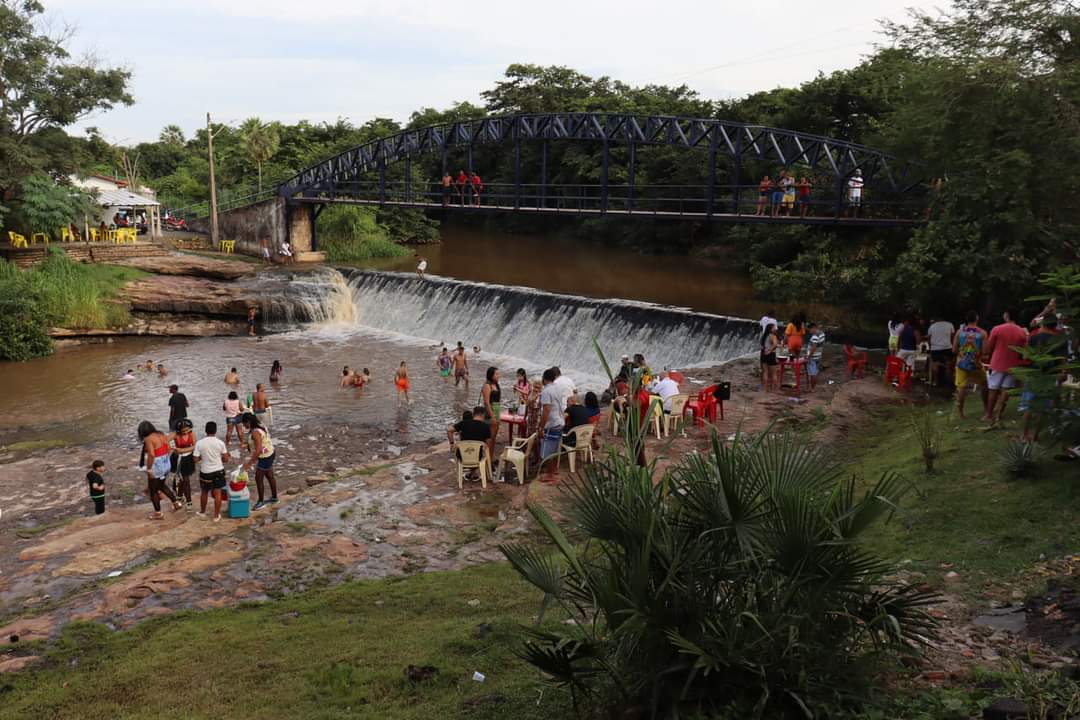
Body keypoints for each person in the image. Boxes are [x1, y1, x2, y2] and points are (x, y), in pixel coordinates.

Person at [1021, 313, 1067, 442]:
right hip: (1050, 376)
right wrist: (1063, 373)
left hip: (1034, 374)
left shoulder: (1034, 338)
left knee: (1029, 406)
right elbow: (1063, 359)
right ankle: (1035, 436)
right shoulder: (1059, 340)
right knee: (1043, 408)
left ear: (1043, 323)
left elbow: (1025, 357)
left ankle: (1024, 435)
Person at [983, 307, 1029, 425]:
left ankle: (989, 414)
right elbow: (1025, 351)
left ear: (1006, 315)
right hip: (1013, 364)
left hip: (997, 362)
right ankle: (999, 415)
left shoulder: (997, 329)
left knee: (993, 389)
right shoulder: (1021, 331)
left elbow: (989, 347)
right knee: (1006, 390)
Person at [138, 421, 183, 519]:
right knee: (161, 485)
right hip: (166, 462)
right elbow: (167, 447)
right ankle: (176, 503)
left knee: (153, 491)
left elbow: (152, 455)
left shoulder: (148, 439)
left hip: (157, 465)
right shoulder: (160, 434)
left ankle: (158, 513)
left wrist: (149, 469)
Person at [952, 311, 989, 420]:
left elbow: (954, 349)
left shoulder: (959, 332)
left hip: (962, 363)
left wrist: (962, 352)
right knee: (984, 384)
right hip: (976, 363)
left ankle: (961, 414)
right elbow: (985, 351)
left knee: (962, 388)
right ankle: (986, 410)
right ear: (977, 318)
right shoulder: (982, 333)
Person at [195, 421, 230, 521]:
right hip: (218, 470)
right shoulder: (220, 443)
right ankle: (216, 515)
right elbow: (226, 459)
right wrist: (220, 458)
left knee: (204, 492)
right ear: (215, 431)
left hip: (205, 471)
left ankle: (202, 512)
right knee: (217, 493)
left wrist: (203, 457)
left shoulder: (200, 443)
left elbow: (195, 459)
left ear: (205, 430)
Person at [241, 413, 277, 509]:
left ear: (248, 422)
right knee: (269, 475)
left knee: (258, 478)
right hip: (270, 452)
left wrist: (249, 464)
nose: (244, 426)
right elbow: (260, 441)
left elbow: (258, 449)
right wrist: (248, 445)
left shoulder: (255, 432)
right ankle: (274, 497)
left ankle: (261, 502)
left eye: (244, 424)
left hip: (265, 456)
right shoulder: (260, 426)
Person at [538, 368, 566, 480]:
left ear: (544, 379)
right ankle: (553, 470)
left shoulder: (546, 391)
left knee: (547, 450)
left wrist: (541, 427)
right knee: (554, 448)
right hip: (560, 420)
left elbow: (546, 410)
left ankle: (549, 475)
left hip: (552, 423)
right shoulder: (558, 388)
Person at [447, 407, 491, 477]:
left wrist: (452, 444)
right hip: (477, 458)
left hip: (462, 456)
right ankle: (473, 471)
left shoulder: (463, 423)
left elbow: (449, 430)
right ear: (483, 415)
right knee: (480, 451)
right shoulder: (486, 427)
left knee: (466, 449)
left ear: (473, 414)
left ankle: (469, 471)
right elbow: (488, 444)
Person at [170, 419, 196, 508]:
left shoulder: (192, 434)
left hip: (187, 459)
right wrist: (172, 449)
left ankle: (187, 500)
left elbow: (195, 446)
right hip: (178, 458)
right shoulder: (175, 434)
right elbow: (165, 441)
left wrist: (183, 450)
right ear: (179, 430)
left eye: (187, 430)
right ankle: (180, 497)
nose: (185, 432)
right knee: (180, 479)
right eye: (183, 430)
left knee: (186, 480)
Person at [927, 316, 956, 387]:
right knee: (948, 364)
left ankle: (936, 382)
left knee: (935, 364)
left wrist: (931, 347)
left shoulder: (932, 326)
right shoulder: (950, 324)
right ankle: (949, 382)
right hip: (947, 347)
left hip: (935, 348)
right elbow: (953, 337)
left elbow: (929, 338)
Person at [482, 367, 502, 459]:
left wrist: (498, 415)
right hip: (490, 412)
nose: (499, 376)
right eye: (496, 374)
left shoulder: (496, 385)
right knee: (489, 438)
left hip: (496, 410)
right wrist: (492, 416)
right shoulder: (487, 385)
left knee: (494, 438)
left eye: (499, 374)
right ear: (491, 375)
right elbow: (486, 402)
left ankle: (491, 458)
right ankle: (487, 459)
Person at [806, 322, 826, 391]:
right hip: (818, 356)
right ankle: (813, 387)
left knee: (812, 373)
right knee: (816, 372)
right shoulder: (822, 334)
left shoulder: (815, 336)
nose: (809, 331)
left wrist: (808, 356)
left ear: (813, 328)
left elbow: (814, 347)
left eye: (810, 329)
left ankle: (812, 388)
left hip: (813, 357)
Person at [761, 323, 779, 392]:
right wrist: (770, 351)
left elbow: (762, 346)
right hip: (770, 355)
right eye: (774, 328)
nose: (775, 329)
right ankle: (775, 389)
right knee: (774, 373)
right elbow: (775, 344)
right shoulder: (773, 336)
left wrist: (766, 350)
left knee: (765, 372)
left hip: (763, 354)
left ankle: (765, 389)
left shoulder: (764, 336)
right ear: (770, 329)